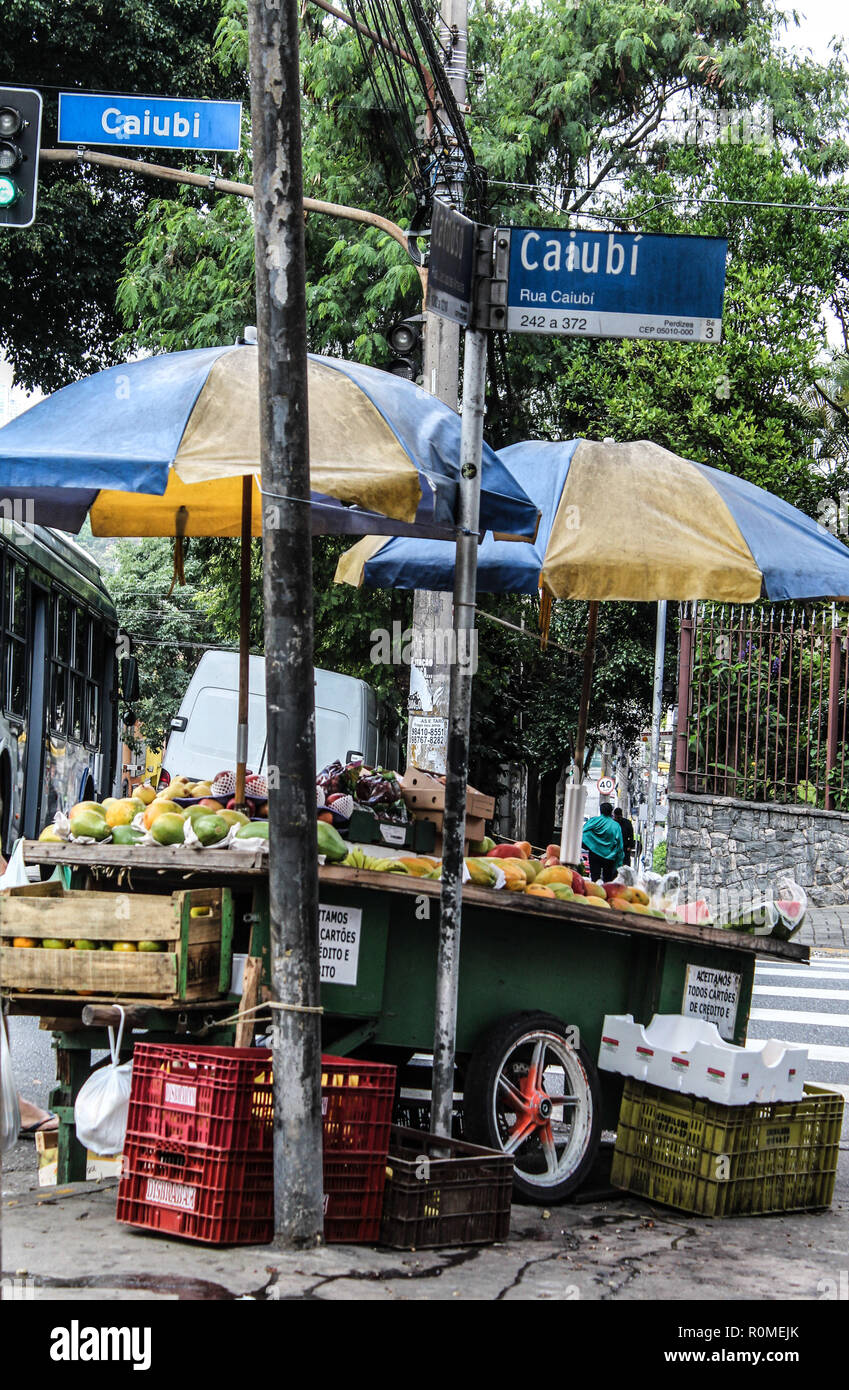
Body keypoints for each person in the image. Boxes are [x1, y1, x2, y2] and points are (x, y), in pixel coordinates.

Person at [581, 802, 624, 882]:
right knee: (607, 880)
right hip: (609, 856)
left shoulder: (594, 821)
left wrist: (590, 844)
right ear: (611, 811)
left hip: (594, 854)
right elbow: (619, 845)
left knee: (594, 878)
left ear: (600, 811)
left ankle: (594, 893)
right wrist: (620, 860)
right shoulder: (615, 825)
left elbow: (583, 832)